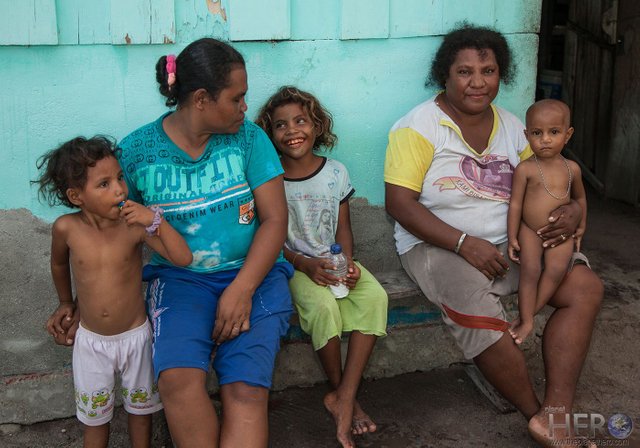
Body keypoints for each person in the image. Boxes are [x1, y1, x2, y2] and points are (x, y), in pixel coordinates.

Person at [384, 24, 602, 448]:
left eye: (488, 70)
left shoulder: (514, 127)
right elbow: (400, 205)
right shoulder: (417, 128)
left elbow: (548, 179)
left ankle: (556, 412)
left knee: (585, 287)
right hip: (437, 244)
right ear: (444, 75)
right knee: (482, 318)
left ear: (501, 74)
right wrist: (465, 244)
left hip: (514, 242)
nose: (478, 82)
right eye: (465, 72)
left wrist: (574, 207)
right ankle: (535, 414)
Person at [114, 39, 291, 447]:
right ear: (200, 99)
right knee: (177, 382)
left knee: (245, 389)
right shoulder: (137, 151)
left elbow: (275, 220)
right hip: (180, 282)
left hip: (257, 275)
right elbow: (117, 229)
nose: (246, 106)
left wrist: (242, 289)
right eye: (237, 97)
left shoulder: (249, 140)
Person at [38, 136, 193, 448]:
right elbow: (58, 265)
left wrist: (155, 221)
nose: (120, 190)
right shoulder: (66, 228)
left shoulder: (133, 225)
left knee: (141, 411)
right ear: (76, 195)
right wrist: (65, 302)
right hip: (91, 343)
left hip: (136, 336)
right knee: (94, 419)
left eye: (120, 178)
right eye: (104, 184)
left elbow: (183, 258)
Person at [256, 86, 388, 448]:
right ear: (270, 134)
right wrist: (305, 264)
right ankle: (341, 392)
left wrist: (346, 264)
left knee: (375, 297)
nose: (292, 130)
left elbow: (343, 227)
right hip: (293, 267)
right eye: (280, 125)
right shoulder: (271, 180)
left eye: (300, 120)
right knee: (324, 308)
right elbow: (271, 239)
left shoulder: (336, 172)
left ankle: (344, 395)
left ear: (316, 125)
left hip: (333, 262)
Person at [507, 99, 587, 345]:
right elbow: (516, 205)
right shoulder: (525, 169)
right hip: (529, 230)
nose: (545, 139)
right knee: (530, 270)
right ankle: (526, 318)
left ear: (568, 134)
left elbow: (580, 198)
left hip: (560, 232)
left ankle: (528, 316)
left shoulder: (572, 168)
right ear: (526, 135)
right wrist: (512, 236)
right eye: (537, 133)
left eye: (554, 132)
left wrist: (581, 226)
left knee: (555, 270)